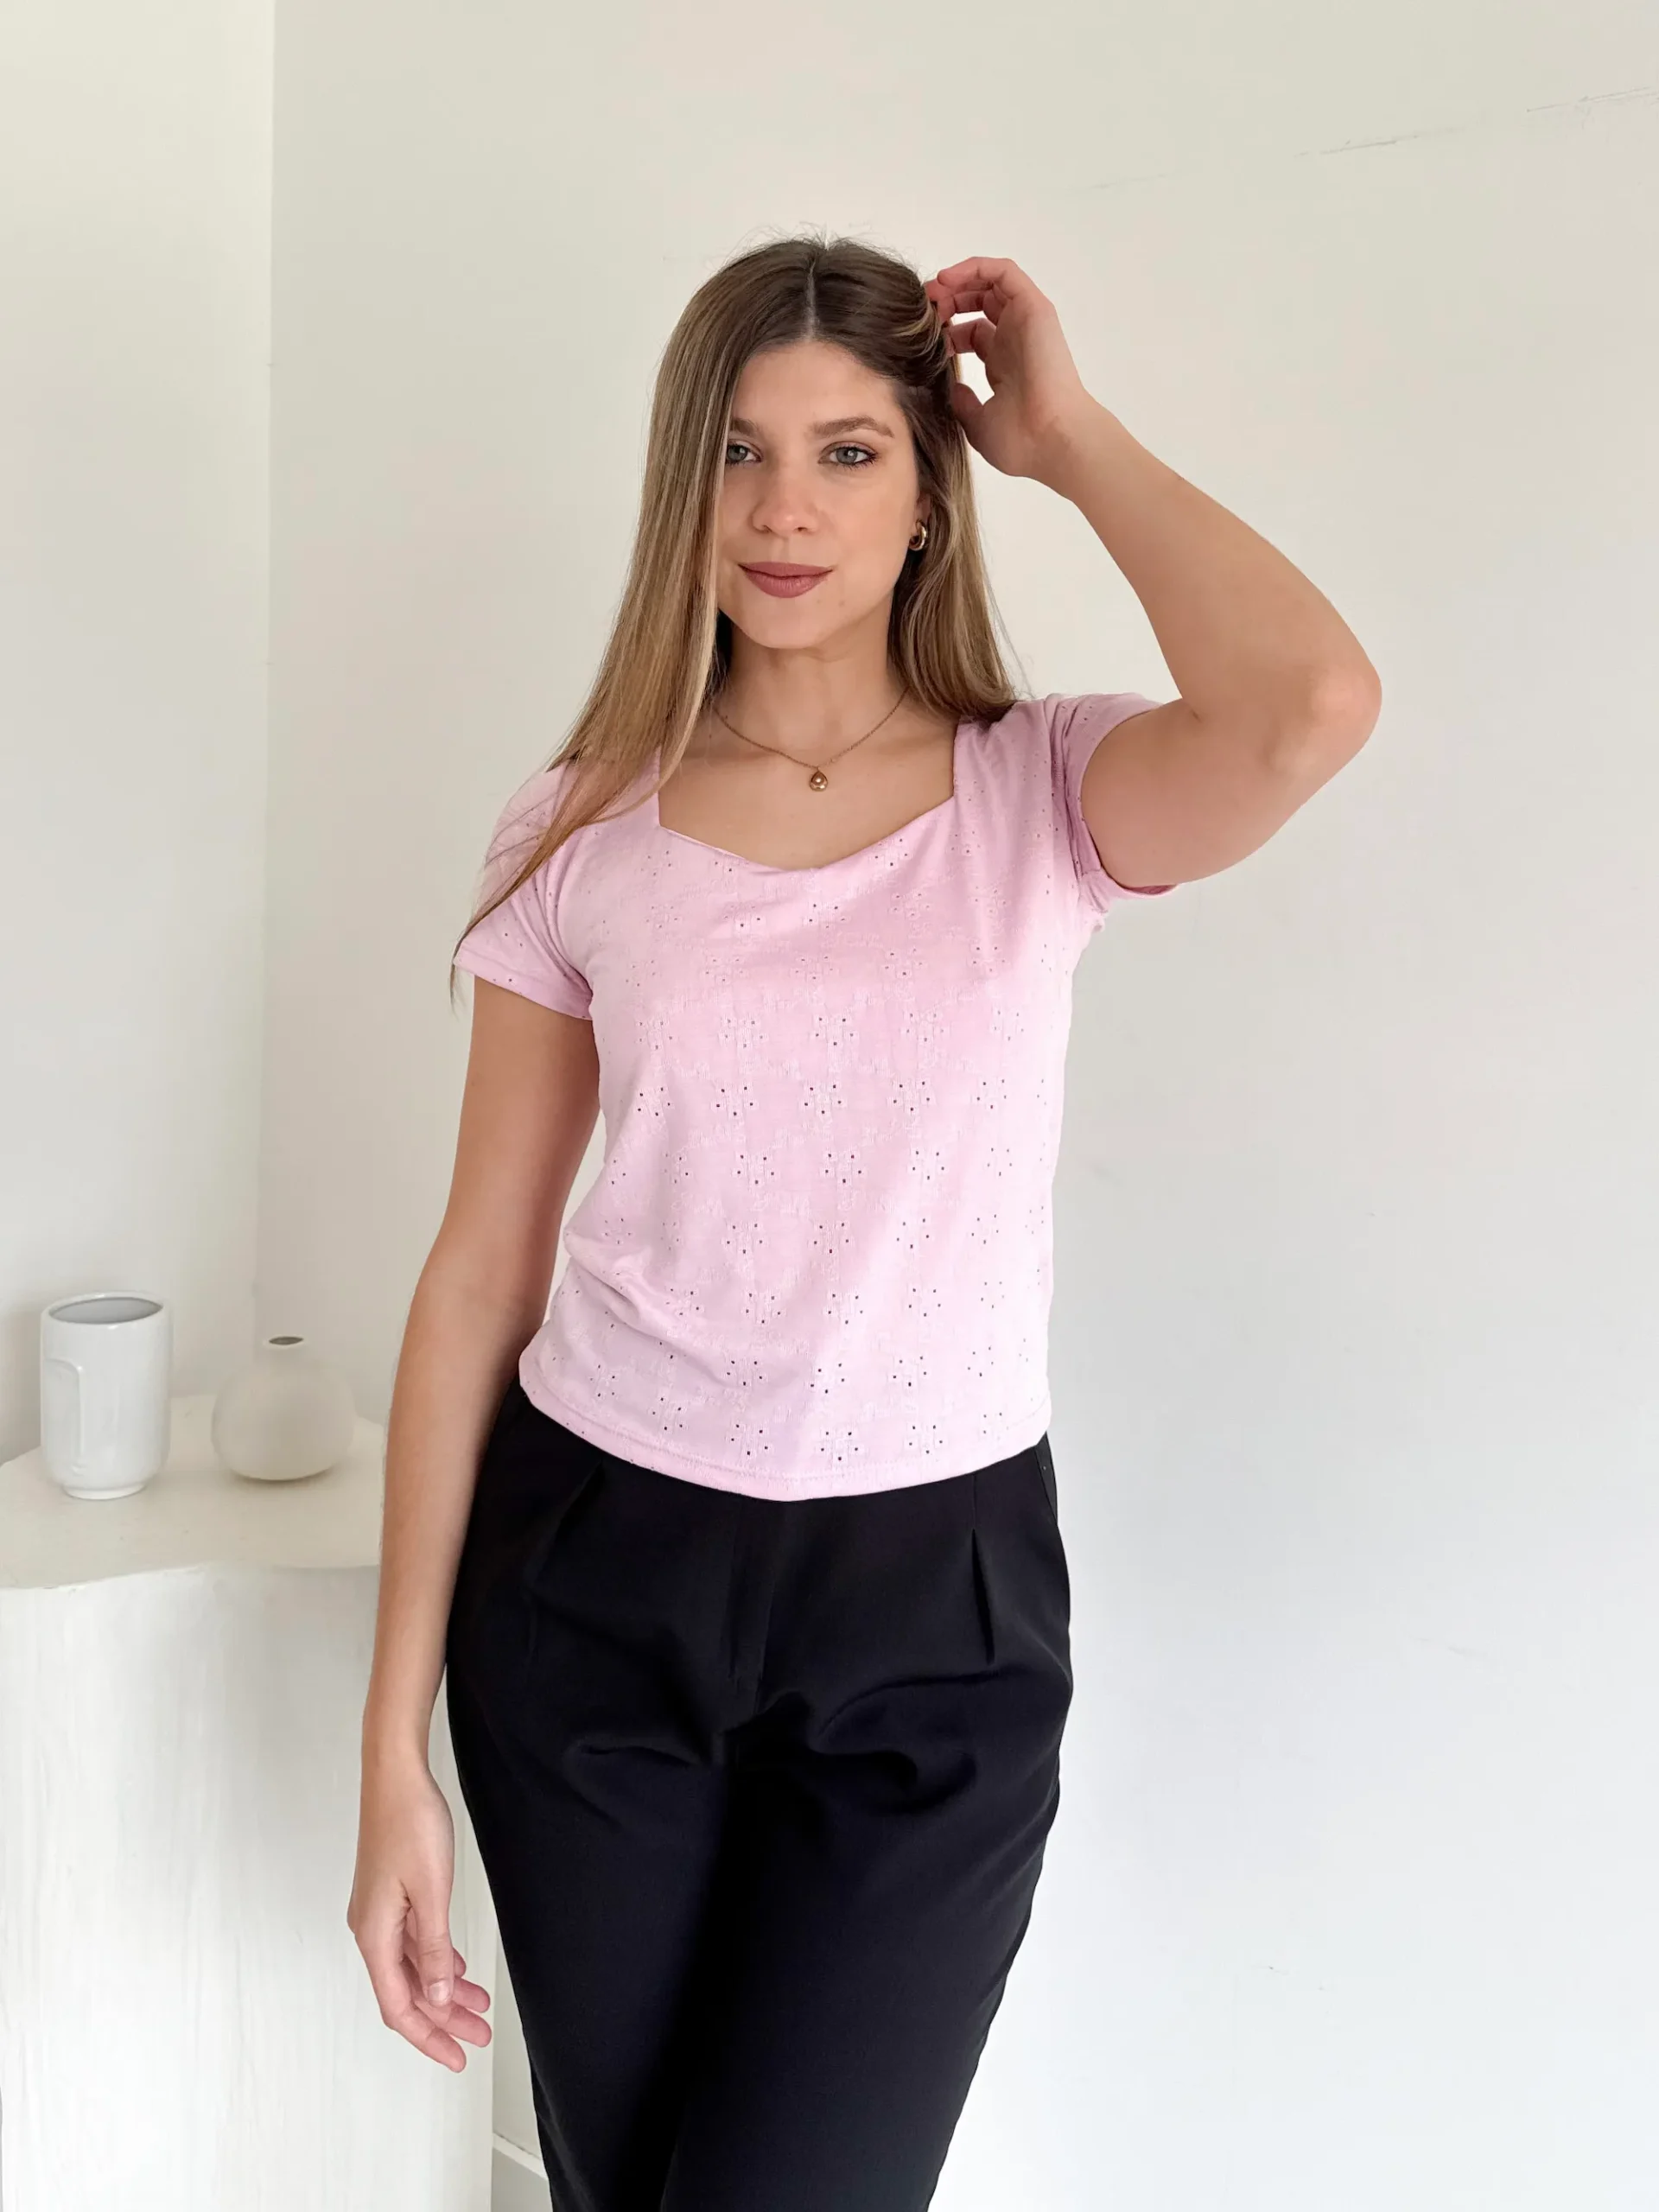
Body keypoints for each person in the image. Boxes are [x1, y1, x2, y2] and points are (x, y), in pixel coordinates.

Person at [346, 232, 1380, 2210]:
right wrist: (391, 1742)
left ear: (929, 494)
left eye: (847, 452)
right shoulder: (581, 822)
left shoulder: (1045, 792)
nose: (784, 509)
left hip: (936, 1607)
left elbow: (1310, 705)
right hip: (594, 1585)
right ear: (684, 486)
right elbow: (479, 1272)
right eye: (739, 453)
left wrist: (1069, 438)